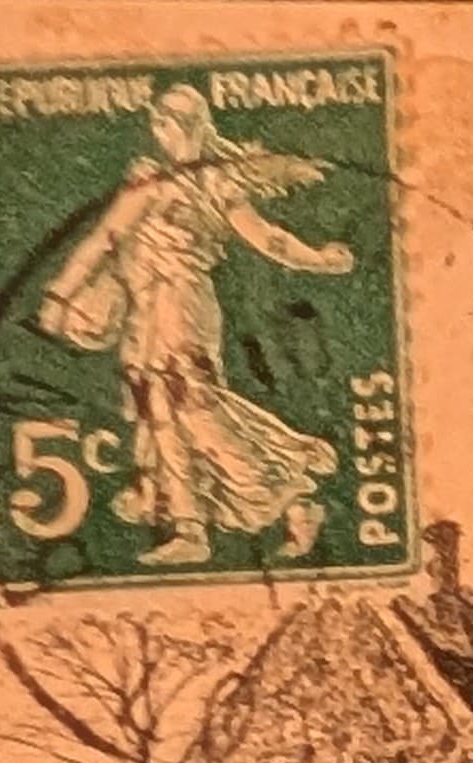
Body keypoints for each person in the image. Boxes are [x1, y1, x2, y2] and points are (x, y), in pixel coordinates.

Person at [34, 83, 355, 567]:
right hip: (149, 309)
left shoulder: (217, 183)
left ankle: (286, 473)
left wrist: (320, 261)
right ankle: (191, 528)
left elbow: (269, 239)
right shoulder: (150, 180)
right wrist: (62, 292)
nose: (172, 134)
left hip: (184, 307)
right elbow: (104, 239)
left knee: (193, 406)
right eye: (165, 124)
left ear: (199, 128)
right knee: (160, 411)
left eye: (181, 124)